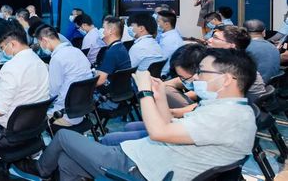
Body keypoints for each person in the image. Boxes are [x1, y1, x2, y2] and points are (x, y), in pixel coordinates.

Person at [16, 49, 257, 181]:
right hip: (145, 160)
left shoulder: (227, 117)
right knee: (66, 161)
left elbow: (159, 131)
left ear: (226, 79)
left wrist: (144, 92)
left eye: (202, 72)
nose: (196, 78)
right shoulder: (229, 110)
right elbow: (169, 124)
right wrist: (159, 96)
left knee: (64, 137)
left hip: (138, 169)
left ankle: (40, 170)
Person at [36, 25, 92, 127]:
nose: (41, 47)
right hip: (80, 111)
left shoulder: (57, 58)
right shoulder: (77, 51)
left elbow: (52, 93)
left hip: (62, 115)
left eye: (40, 44)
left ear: (44, 40)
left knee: (32, 118)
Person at [207, 25, 266, 102]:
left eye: (215, 38)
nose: (209, 40)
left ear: (232, 45)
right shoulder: (237, 60)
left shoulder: (233, 67)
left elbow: (217, 96)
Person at [95, 16, 131, 87]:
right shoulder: (121, 47)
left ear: (110, 31)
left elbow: (100, 81)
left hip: (112, 89)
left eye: (103, 28)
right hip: (122, 88)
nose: (102, 31)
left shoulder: (112, 52)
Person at [244, 19, 280, 83]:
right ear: (264, 32)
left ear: (244, 33)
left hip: (253, 86)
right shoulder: (274, 48)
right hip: (271, 86)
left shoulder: (245, 48)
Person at [156, 10, 185, 75]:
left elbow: (162, 62)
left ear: (166, 24)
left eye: (158, 21)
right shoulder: (170, 36)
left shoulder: (169, 40)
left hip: (163, 74)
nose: (156, 24)